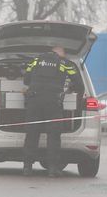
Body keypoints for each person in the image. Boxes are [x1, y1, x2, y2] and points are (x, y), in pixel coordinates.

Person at [22, 45, 84, 177]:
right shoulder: (65, 63)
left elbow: (26, 79)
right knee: (53, 135)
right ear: (60, 52)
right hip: (53, 102)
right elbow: (79, 83)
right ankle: (52, 168)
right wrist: (71, 88)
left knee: (32, 133)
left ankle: (27, 167)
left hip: (34, 100)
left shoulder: (35, 61)